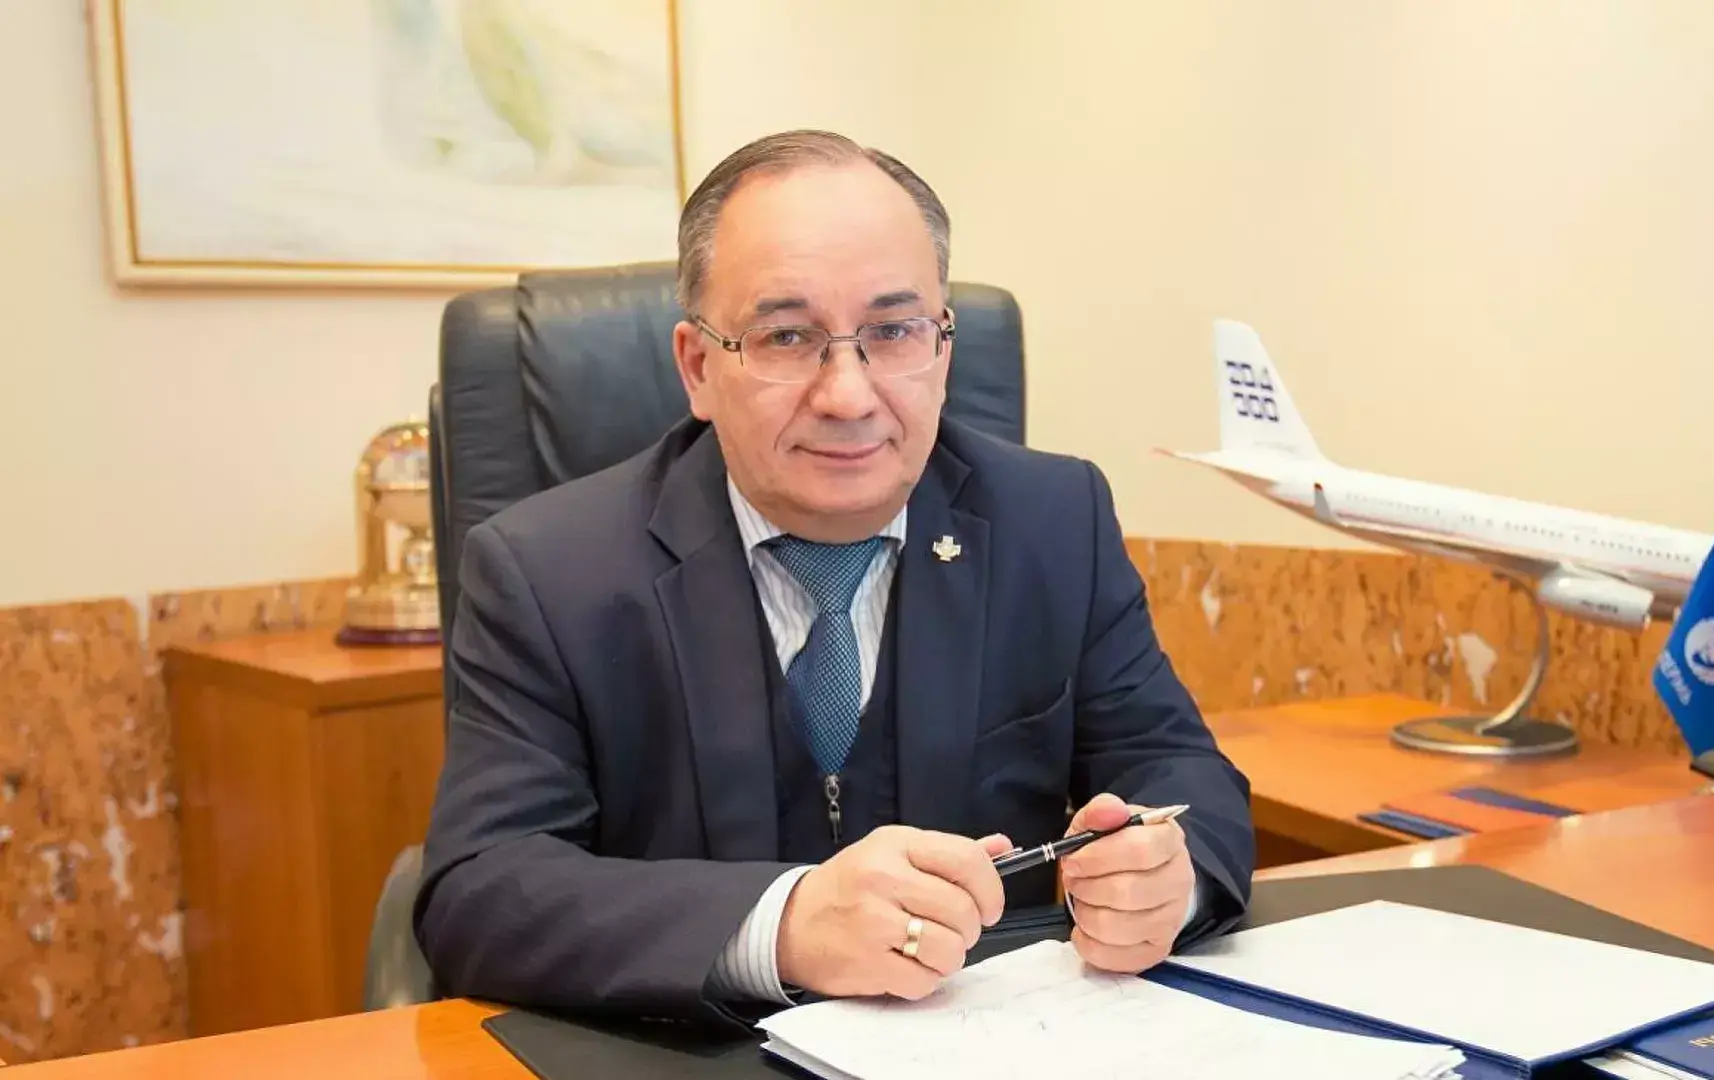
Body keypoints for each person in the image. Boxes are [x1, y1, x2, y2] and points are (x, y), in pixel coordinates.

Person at [413, 130, 1254, 1029]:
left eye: (893, 332)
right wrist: (780, 928)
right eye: (786, 337)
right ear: (698, 367)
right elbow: (482, 889)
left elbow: (1179, 772)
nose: (849, 396)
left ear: (943, 347)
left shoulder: (1053, 521)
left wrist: (1169, 878)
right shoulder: (547, 570)